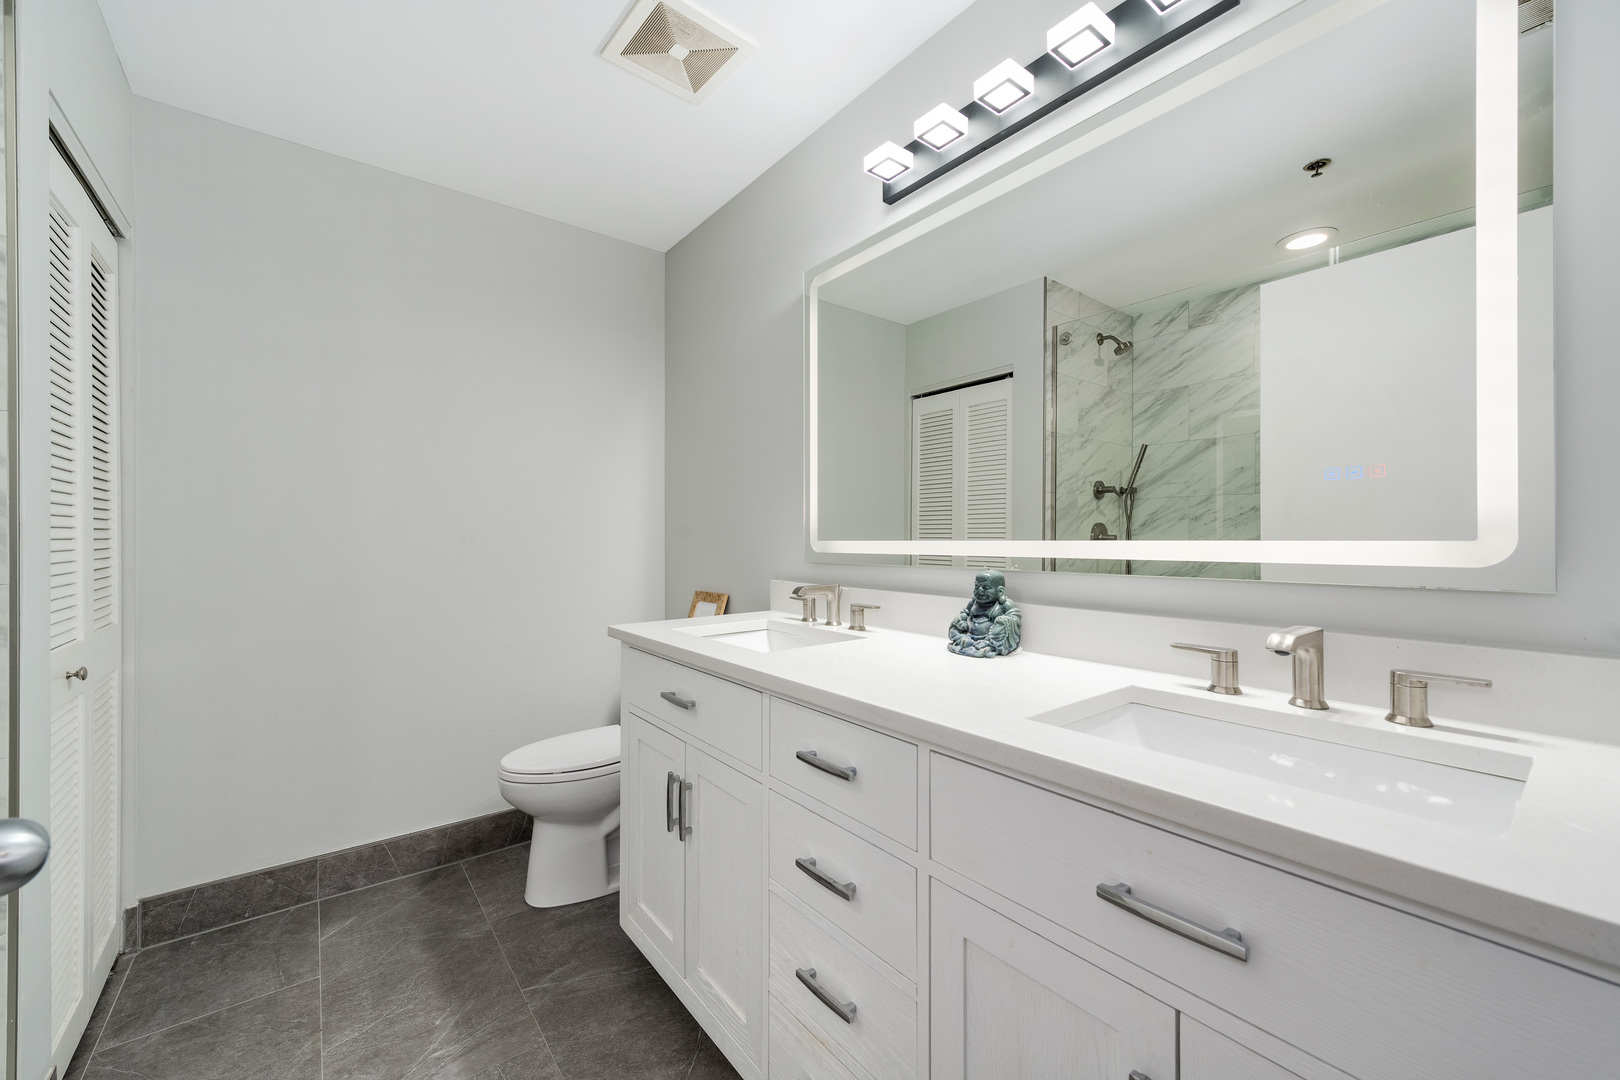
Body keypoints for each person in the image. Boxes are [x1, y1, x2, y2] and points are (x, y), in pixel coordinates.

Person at [947, 570, 1022, 658]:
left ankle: (987, 643)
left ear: (1000, 591)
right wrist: (962, 621)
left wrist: (1004, 621)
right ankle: (965, 640)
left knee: (1003, 622)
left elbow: (1015, 618)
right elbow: (965, 613)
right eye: (977, 586)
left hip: (991, 638)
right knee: (954, 626)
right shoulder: (974, 602)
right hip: (970, 635)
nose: (980, 590)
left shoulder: (1004, 604)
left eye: (986, 587)